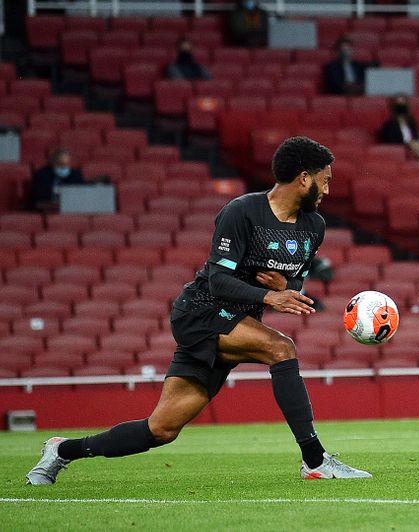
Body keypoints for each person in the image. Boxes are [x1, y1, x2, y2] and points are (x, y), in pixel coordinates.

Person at [26, 137, 372, 485]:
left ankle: (61, 450)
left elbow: (294, 285)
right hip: (201, 312)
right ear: (303, 178)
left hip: (237, 323)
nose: (328, 188)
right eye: (324, 179)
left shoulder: (314, 227)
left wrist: (283, 289)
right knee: (281, 348)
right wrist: (268, 296)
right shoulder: (243, 212)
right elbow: (219, 279)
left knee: (161, 429)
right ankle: (315, 460)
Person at [378, 94, 419, 163]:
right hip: (405, 145)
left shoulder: (411, 122)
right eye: (399, 104)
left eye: (403, 103)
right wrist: (406, 144)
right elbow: (390, 142)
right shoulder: (390, 124)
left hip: (414, 143)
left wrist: (415, 142)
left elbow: (416, 136)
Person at [30, 147, 84, 212]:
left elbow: (82, 192)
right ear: (52, 163)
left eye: (66, 164)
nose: (64, 167)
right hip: (48, 208)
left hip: (71, 208)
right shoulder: (41, 175)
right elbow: (38, 198)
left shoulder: (75, 174)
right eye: (61, 164)